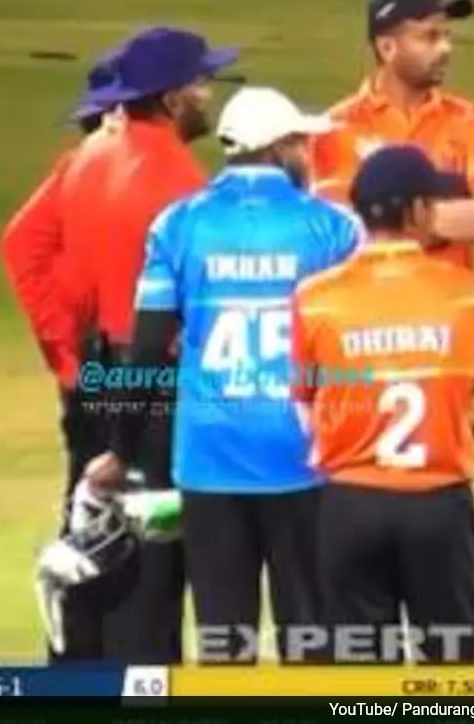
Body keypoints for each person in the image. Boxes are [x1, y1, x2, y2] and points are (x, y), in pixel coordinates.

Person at [81, 86, 361, 665]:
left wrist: (121, 451)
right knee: (314, 639)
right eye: (301, 144)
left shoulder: (178, 225)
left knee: (223, 641)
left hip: (210, 460)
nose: (308, 155)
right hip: (304, 457)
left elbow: (147, 353)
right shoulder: (334, 228)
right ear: (280, 148)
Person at [55, 25, 238, 664]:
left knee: (96, 547)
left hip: (99, 370)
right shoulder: (180, 181)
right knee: (152, 567)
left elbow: (37, 253)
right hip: (156, 380)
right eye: (201, 81)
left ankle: (77, 684)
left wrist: (67, 354)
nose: (209, 93)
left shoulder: (88, 158)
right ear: (171, 97)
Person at [292, 144, 474, 665]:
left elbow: (306, 409)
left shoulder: (315, 298)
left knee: (360, 675)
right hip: (439, 504)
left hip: (350, 505)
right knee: (456, 671)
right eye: (434, 202)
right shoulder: (466, 292)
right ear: (415, 212)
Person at [0, 51, 127, 662]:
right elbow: (21, 246)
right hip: (99, 370)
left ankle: (103, 661)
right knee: (97, 520)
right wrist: (66, 356)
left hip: (113, 364)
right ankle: (76, 666)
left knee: (112, 519)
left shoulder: (113, 172)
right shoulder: (83, 170)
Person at [309, 0, 474, 270]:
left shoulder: (469, 119)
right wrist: (446, 216)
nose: (445, 48)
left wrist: (389, 219)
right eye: (429, 37)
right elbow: (336, 228)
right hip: (369, 293)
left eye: (446, 36)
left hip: (448, 294)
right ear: (387, 48)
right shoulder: (336, 126)